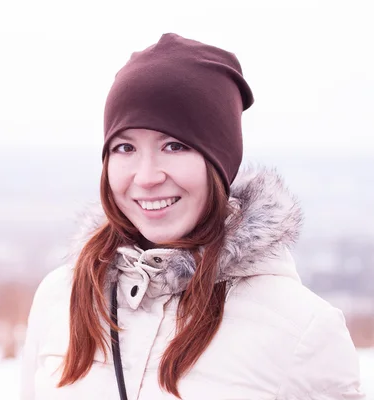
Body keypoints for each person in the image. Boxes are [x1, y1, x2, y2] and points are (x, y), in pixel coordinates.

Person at [20, 33, 365, 400]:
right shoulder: (62, 297)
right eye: (125, 147)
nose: (147, 176)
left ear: (219, 164)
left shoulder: (303, 331)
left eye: (175, 145)